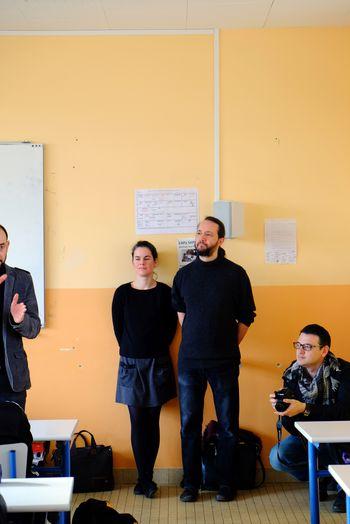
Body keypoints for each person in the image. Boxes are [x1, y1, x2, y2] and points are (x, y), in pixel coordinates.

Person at [172, 216, 256, 503]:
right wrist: (198, 339)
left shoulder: (236, 274)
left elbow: (246, 316)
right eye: (198, 233)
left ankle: (225, 484)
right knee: (189, 425)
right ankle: (191, 484)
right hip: (190, 363)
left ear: (221, 240)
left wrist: (228, 344)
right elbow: (182, 314)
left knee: (228, 425)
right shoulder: (184, 275)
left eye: (208, 234)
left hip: (224, 362)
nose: (201, 238)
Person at [112, 240, 177, 498]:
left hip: (158, 364)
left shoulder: (165, 293)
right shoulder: (122, 293)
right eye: (138, 258)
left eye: (147, 258)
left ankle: (149, 479)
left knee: (152, 421)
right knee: (137, 422)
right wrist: (133, 350)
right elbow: (119, 329)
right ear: (132, 262)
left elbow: (172, 328)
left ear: (155, 262)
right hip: (130, 364)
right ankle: (142, 479)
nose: (142, 262)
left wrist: (155, 350)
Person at [269, 324, 350, 513]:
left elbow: (344, 413)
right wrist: (283, 409)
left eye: (307, 347)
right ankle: (321, 478)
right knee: (278, 457)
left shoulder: (343, 372)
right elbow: (291, 423)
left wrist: (305, 409)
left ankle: (342, 487)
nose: (300, 351)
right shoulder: (293, 373)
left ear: (324, 350)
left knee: (328, 443)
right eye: (298, 345)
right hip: (308, 438)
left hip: (340, 439)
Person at [0, 225, 41, 410]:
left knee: (13, 438)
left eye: (1, 247)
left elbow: (34, 328)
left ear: (7, 246)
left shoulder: (22, 279)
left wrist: (19, 321)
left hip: (12, 381)